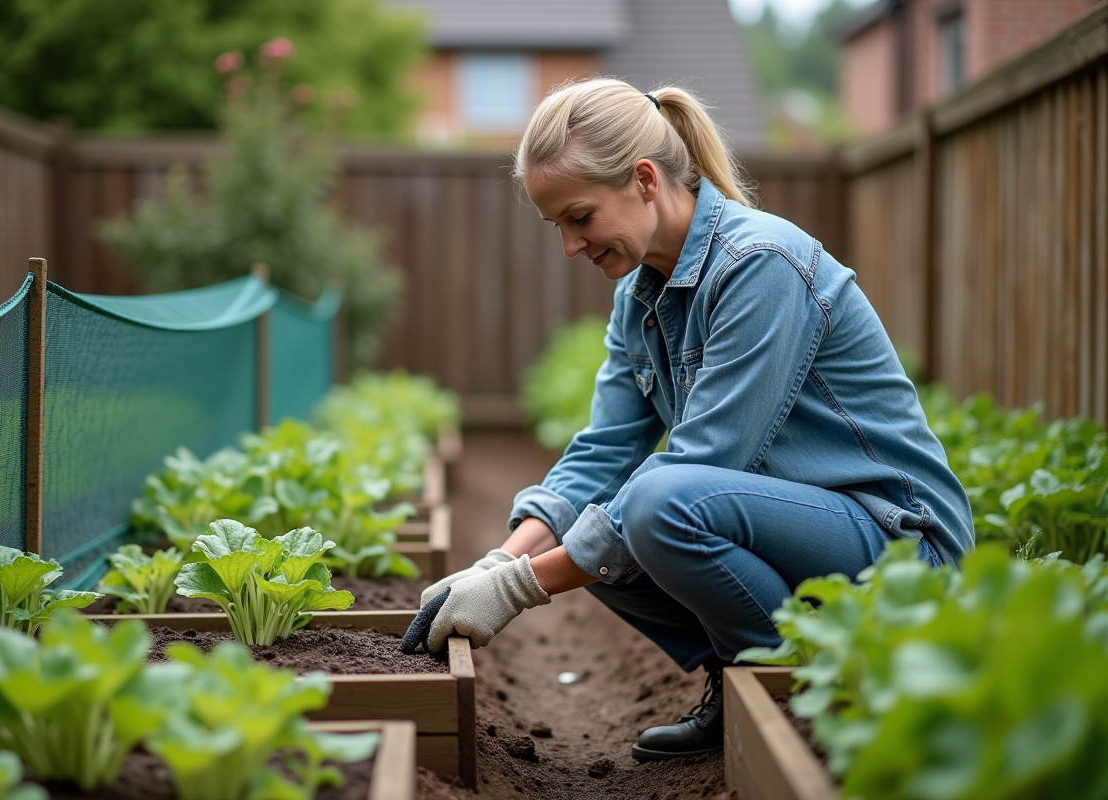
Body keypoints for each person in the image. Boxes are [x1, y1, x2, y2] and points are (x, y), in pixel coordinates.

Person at [407, 78, 975, 762]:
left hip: (897, 549)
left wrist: (520, 588)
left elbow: (709, 460)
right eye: (556, 224)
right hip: (798, 533)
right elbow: (602, 454)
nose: (569, 245)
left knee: (650, 509)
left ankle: (787, 684)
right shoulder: (640, 294)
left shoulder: (760, 265)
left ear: (644, 179)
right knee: (614, 521)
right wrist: (499, 561)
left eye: (579, 217)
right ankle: (749, 676)